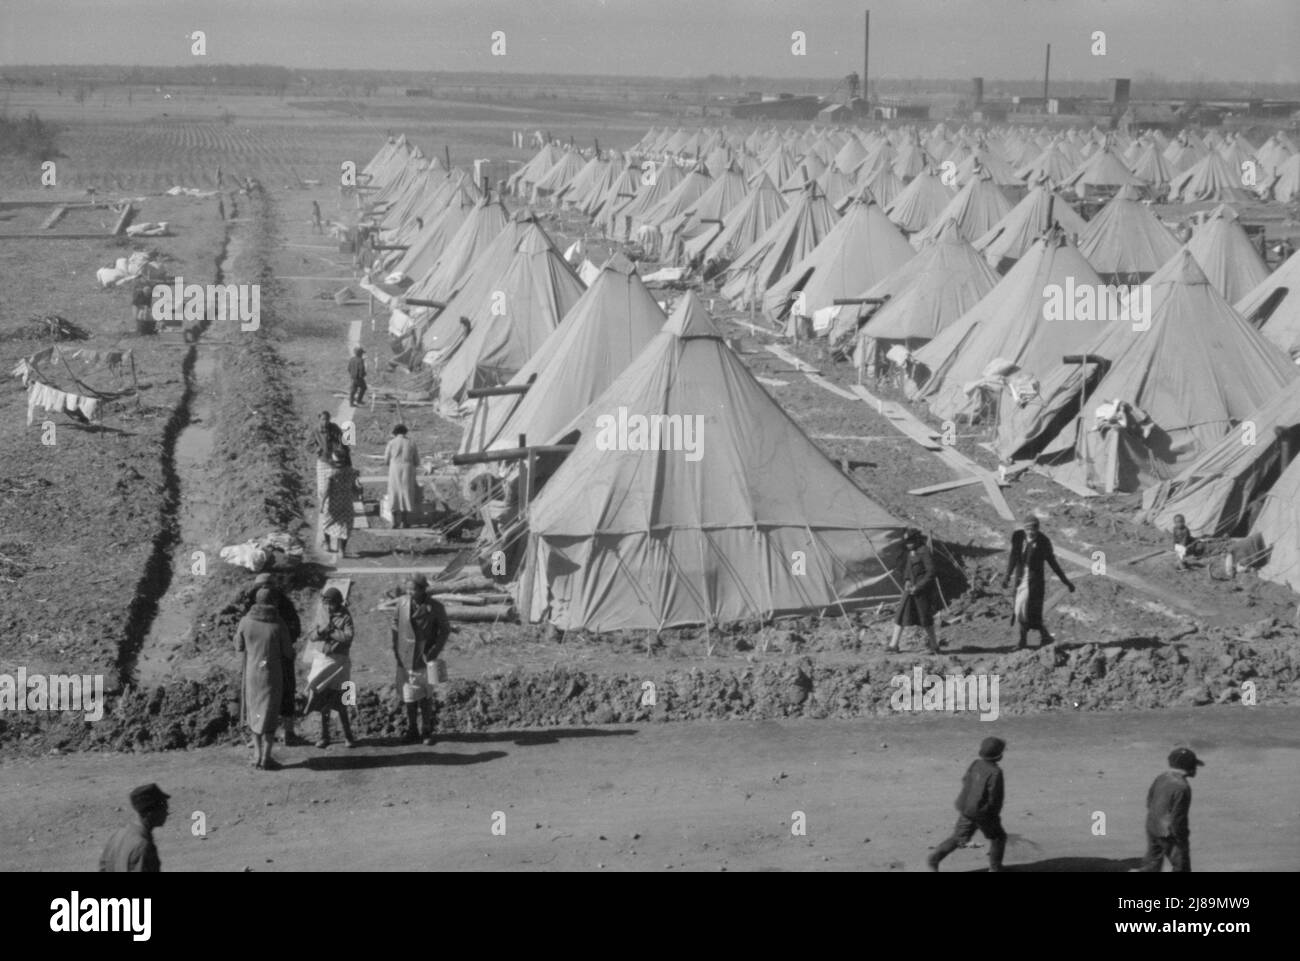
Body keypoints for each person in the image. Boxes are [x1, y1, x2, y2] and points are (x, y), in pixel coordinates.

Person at [238, 572, 305, 746]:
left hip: (278, 656)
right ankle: (257, 734)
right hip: (261, 656)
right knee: (256, 697)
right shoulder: (251, 604)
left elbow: (295, 628)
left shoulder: (284, 605)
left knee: (286, 693)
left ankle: (287, 731)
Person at [927, 737, 1008, 872]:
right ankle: (995, 868)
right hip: (984, 814)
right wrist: (994, 815)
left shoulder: (975, 763)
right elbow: (995, 797)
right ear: (999, 756)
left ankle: (934, 858)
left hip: (967, 809)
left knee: (958, 837)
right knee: (999, 837)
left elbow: (965, 780)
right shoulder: (996, 772)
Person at [235, 587, 295, 770]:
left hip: (252, 674)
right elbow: (288, 653)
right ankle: (267, 758)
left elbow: (238, 645)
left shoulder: (245, 622)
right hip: (272, 675)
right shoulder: (279, 624)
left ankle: (256, 755)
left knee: (255, 714)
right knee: (269, 715)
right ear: (273, 602)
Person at [392, 574, 450, 745]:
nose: (410, 592)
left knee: (425, 696)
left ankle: (426, 729)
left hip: (425, 658)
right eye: (408, 589)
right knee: (409, 696)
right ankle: (412, 729)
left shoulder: (435, 607)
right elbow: (395, 625)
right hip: (406, 657)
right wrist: (396, 648)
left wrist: (433, 651)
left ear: (423, 589)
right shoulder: (402, 603)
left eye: (414, 589)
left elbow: (445, 630)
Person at [1002, 514, 1074, 649]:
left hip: (1034, 583)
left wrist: (1066, 582)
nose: (1031, 532)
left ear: (1038, 529)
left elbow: (1053, 563)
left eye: (1034, 530)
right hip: (1020, 579)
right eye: (1028, 530)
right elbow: (1013, 556)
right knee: (1021, 611)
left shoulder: (1043, 542)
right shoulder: (1018, 537)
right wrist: (1007, 576)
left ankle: (1029, 640)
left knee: (1026, 611)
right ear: (1024, 529)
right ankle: (1036, 638)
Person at [304, 587, 357, 748]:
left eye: (331, 604)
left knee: (342, 699)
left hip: (340, 661)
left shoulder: (346, 616)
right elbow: (312, 635)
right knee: (323, 699)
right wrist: (321, 631)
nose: (328, 607)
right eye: (326, 603)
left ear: (337, 603)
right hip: (323, 660)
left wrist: (331, 631)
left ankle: (348, 736)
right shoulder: (322, 612)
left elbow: (348, 637)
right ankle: (325, 736)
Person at [1139, 747, 1203, 872]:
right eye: (1194, 765)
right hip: (1169, 833)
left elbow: (1150, 801)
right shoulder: (1182, 787)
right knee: (1181, 867)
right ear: (1189, 767)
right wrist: (1181, 840)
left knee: (1152, 864)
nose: (1196, 769)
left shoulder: (1162, 777)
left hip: (1152, 826)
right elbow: (1178, 818)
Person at [887, 528, 941, 653]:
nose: (908, 544)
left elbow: (931, 572)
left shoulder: (924, 552)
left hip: (921, 592)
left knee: (925, 619)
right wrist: (906, 581)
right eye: (907, 542)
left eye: (911, 541)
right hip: (910, 590)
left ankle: (934, 646)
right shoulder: (912, 552)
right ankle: (893, 645)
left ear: (917, 540)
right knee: (900, 615)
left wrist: (918, 587)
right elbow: (908, 569)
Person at [99, 783, 169, 872]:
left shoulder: (119, 835)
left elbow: (103, 867)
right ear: (150, 813)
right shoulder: (143, 846)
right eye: (164, 808)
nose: (166, 813)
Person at [320, 444, 362, 559]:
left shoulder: (330, 472)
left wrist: (322, 503)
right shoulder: (352, 471)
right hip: (346, 502)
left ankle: (327, 545)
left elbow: (326, 490)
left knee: (327, 523)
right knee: (345, 526)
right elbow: (355, 488)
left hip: (333, 502)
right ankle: (341, 550)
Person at [384, 423, 421, 529]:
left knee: (394, 493)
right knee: (406, 493)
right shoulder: (411, 443)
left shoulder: (391, 443)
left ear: (395, 433)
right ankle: (405, 522)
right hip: (408, 470)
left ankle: (395, 522)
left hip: (394, 470)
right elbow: (417, 461)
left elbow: (386, 460)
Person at [310, 411, 344, 502]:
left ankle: (335, 507)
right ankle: (323, 507)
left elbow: (342, 440)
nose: (325, 422)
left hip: (335, 462)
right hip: (323, 462)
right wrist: (316, 449)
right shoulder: (316, 431)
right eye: (323, 419)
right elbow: (308, 445)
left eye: (327, 419)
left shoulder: (334, 428)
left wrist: (339, 449)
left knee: (336, 486)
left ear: (330, 419)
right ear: (319, 419)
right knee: (322, 488)